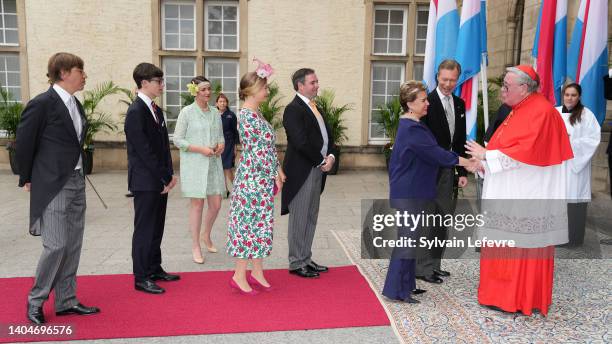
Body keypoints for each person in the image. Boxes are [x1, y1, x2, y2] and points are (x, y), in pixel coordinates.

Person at [466, 65, 573, 316]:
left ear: (524, 88)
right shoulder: (519, 110)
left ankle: (517, 298)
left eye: (506, 87)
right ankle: (497, 295)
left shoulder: (541, 112)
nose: (502, 91)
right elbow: (508, 149)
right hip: (510, 193)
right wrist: (483, 163)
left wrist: (487, 155)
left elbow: (525, 154)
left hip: (526, 198)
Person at [17, 52, 100, 324]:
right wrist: (27, 177)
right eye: (81, 69)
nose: (84, 75)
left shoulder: (76, 104)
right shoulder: (42, 104)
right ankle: (35, 301)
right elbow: (25, 142)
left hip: (76, 181)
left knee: (73, 244)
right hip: (53, 184)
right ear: (64, 73)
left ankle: (66, 300)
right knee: (55, 245)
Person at [383, 80, 478, 304]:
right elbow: (437, 154)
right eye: (423, 100)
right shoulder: (411, 128)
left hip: (415, 189)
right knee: (407, 241)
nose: (428, 103)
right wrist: (467, 162)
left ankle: (407, 285)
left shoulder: (415, 123)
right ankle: (395, 289)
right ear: (409, 103)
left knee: (412, 240)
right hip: (410, 193)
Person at [226, 61, 286, 295]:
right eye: (264, 88)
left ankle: (257, 272)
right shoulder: (247, 117)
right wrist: (274, 174)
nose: (267, 91)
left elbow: (268, 149)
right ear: (251, 91)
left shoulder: (256, 114)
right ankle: (238, 274)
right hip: (252, 178)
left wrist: (278, 171)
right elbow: (258, 153)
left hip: (260, 178)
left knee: (261, 225)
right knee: (248, 225)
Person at [125, 63, 179, 295]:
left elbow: (162, 147)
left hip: (158, 180)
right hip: (146, 181)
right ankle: (141, 276)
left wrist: (168, 173)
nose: (162, 85)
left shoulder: (154, 109)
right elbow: (144, 150)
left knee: (157, 227)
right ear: (144, 83)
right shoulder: (136, 111)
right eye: (158, 81)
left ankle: (154, 267)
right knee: (145, 229)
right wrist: (164, 175)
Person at [281, 68, 336, 278]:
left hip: (318, 169)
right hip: (302, 172)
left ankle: (305, 257)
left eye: (317, 81)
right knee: (299, 218)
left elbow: (328, 136)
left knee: (311, 216)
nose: (317, 85)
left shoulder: (315, 106)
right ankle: (296, 262)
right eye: (312, 82)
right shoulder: (293, 109)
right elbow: (300, 141)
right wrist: (322, 159)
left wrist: (330, 157)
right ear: (300, 86)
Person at [418, 59, 468, 284]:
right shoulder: (425, 103)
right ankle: (423, 267)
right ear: (437, 76)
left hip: (449, 170)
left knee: (442, 219)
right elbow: (422, 141)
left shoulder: (459, 103)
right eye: (444, 79)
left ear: (458, 79)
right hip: (428, 171)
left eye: (453, 80)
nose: (448, 84)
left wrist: (463, 171)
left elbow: (459, 140)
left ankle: (435, 264)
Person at [173, 76, 225, 264]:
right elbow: (177, 140)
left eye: (209, 89)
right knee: (197, 206)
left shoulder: (215, 113)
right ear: (195, 92)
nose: (208, 93)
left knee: (217, 204)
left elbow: (221, 136)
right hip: (195, 164)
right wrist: (200, 149)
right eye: (203, 89)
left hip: (213, 165)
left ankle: (206, 234)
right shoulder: (186, 112)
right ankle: (196, 245)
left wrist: (221, 145)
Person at [556, 83, 601, 247]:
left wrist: (570, 142)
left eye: (573, 95)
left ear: (579, 97)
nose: (570, 98)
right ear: (563, 96)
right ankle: (556, 236)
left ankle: (574, 238)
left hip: (576, 166)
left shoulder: (587, 115)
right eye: (567, 94)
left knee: (574, 199)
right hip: (558, 166)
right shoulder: (554, 112)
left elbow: (593, 139)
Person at [217, 93, 239, 197]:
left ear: (227, 103)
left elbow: (235, 132)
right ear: (216, 103)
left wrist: (235, 147)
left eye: (224, 101)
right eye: (220, 101)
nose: (222, 103)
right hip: (217, 145)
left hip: (229, 144)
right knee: (220, 169)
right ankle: (225, 190)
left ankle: (237, 188)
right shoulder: (213, 114)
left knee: (228, 168)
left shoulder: (231, 115)